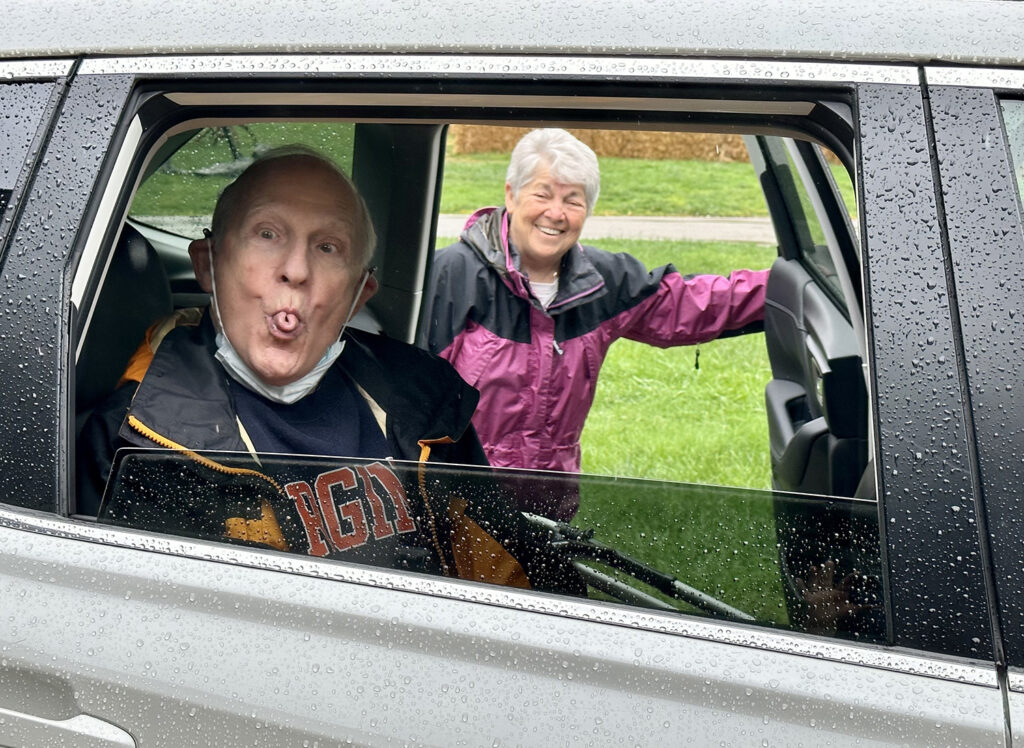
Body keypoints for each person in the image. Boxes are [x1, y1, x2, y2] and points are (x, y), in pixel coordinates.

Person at [78, 145, 571, 591]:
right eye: (267, 233)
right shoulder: (135, 439)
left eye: (327, 247)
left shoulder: (424, 403)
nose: (297, 269)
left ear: (359, 293)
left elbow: (511, 579)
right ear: (208, 264)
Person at [419, 128, 769, 520]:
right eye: (542, 194)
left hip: (551, 511)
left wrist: (785, 287)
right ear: (511, 195)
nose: (556, 213)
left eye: (574, 200)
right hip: (455, 506)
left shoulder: (603, 282)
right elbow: (408, 397)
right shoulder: (453, 275)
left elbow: (692, 305)